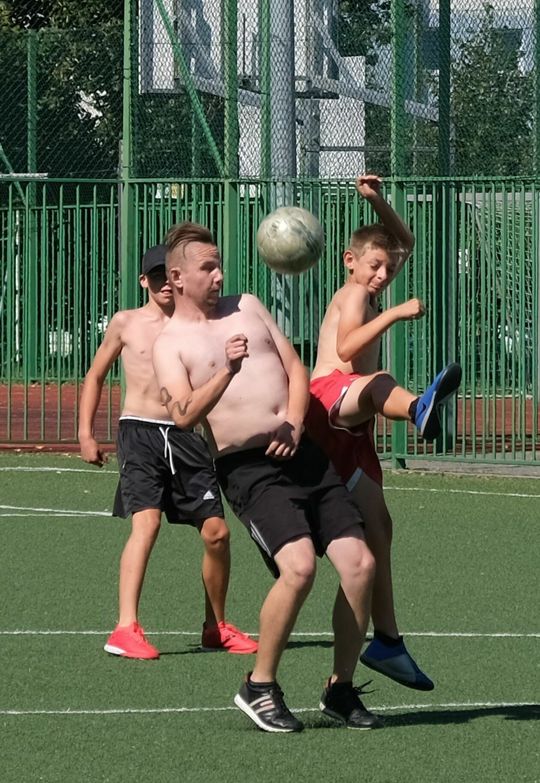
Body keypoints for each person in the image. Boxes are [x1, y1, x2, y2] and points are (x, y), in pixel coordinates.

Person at [153, 220, 384, 733]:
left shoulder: (249, 306)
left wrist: (296, 421)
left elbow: (296, 368)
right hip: (248, 468)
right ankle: (259, 686)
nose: (218, 276)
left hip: (302, 451)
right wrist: (227, 371)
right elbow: (184, 415)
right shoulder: (169, 344)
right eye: (207, 268)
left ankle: (340, 689)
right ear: (178, 277)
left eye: (219, 266)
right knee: (298, 568)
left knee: (361, 564)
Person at [305, 174, 461, 690]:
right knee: (378, 382)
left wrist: (377, 200)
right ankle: (417, 408)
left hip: (355, 428)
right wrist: (394, 312)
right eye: (374, 265)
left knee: (380, 528)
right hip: (330, 400)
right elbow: (346, 350)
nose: (383, 273)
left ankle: (388, 641)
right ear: (349, 261)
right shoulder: (353, 293)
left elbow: (405, 241)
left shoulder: (372, 285)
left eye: (389, 269)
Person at [78, 244, 257, 659]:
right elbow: (96, 374)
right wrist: (86, 433)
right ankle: (125, 628)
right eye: (155, 276)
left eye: (168, 276)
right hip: (139, 432)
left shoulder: (196, 326)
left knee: (217, 533)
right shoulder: (126, 322)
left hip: (186, 437)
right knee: (147, 525)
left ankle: (215, 626)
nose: (163, 284)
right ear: (144, 280)